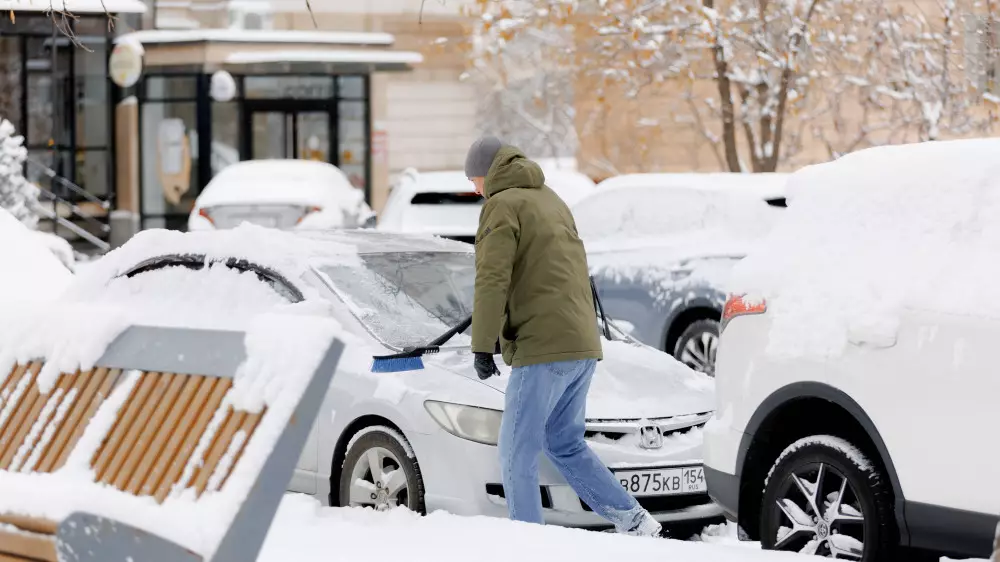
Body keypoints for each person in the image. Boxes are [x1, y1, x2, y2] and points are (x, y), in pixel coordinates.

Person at [465, 136, 662, 536]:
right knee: (564, 444)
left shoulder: (501, 205)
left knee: (516, 452)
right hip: (580, 344)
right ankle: (636, 521)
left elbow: (492, 279)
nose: (474, 189)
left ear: (487, 173)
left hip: (543, 349)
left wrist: (483, 344)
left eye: (473, 179)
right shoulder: (551, 199)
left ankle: (529, 543)